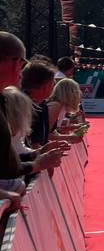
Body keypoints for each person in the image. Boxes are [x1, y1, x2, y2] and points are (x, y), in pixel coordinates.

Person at [0, 33, 65, 182]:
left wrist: (37, 155)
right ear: (16, 63)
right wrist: (37, 163)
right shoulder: (18, 103)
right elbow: (6, 166)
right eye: (21, 65)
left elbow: (9, 160)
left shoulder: (6, 101)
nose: (21, 72)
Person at [19, 61, 56, 149]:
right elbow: (32, 144)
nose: (54, 86)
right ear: (45, 86)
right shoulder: (21, 105)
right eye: (52, 83)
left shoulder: (42, 105)